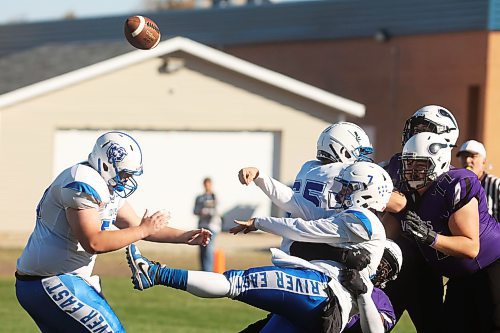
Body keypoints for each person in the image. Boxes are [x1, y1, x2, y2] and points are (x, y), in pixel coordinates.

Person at [126, 161, 394, 333]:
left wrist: (260, 221)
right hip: (316, 307)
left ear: (367, 193)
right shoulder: (354, 221)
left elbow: (303, 227)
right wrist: (262, 179)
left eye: (349, 188)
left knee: (237, 282)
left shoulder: (363, 221)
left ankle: (157, 274)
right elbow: (299, 206)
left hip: (321, 293)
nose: (341, 193)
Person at [15, 131, 212, 333]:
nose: (128, 180)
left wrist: (184, 236)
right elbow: (94, 242)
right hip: (50, 281)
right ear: (106, 164)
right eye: (126, 173)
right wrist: (144, 229)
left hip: (56, 281)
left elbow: (134, 225)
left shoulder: (106, 186)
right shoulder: (82, 181)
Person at [387, 132, 500, 333]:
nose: (413, 171)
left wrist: (431, 238)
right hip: (460, 274)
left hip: (490, 267)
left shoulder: (453, 184)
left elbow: (471, 247)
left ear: (438, 163)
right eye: (409, 164)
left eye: (420, 165)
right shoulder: (406, 191)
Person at [380, 104, 459, 333]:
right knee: (369, 323)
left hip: (426, 263)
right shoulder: (397, 163)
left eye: (425, 128)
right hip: (393, 258)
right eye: (416, 128)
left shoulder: (452, 180)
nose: (416, 134)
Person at [456, 139, 500, 222]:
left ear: (484, 161)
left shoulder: (496, 184)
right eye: (464, 156)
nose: (467, 160)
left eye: (473, 156)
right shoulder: (456, 185)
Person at [193, 177, 222, 271]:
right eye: (205, 184)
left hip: (212, 226)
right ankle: (203, 270)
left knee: (208, 249)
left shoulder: (215, 196)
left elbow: (217, 211)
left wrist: (207, 212)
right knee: (202, 250)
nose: (207, 186)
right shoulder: (199, 198)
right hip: (202, 226)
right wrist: (201, 211)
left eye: (209, 184)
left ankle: (208, 272)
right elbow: (194, 211)